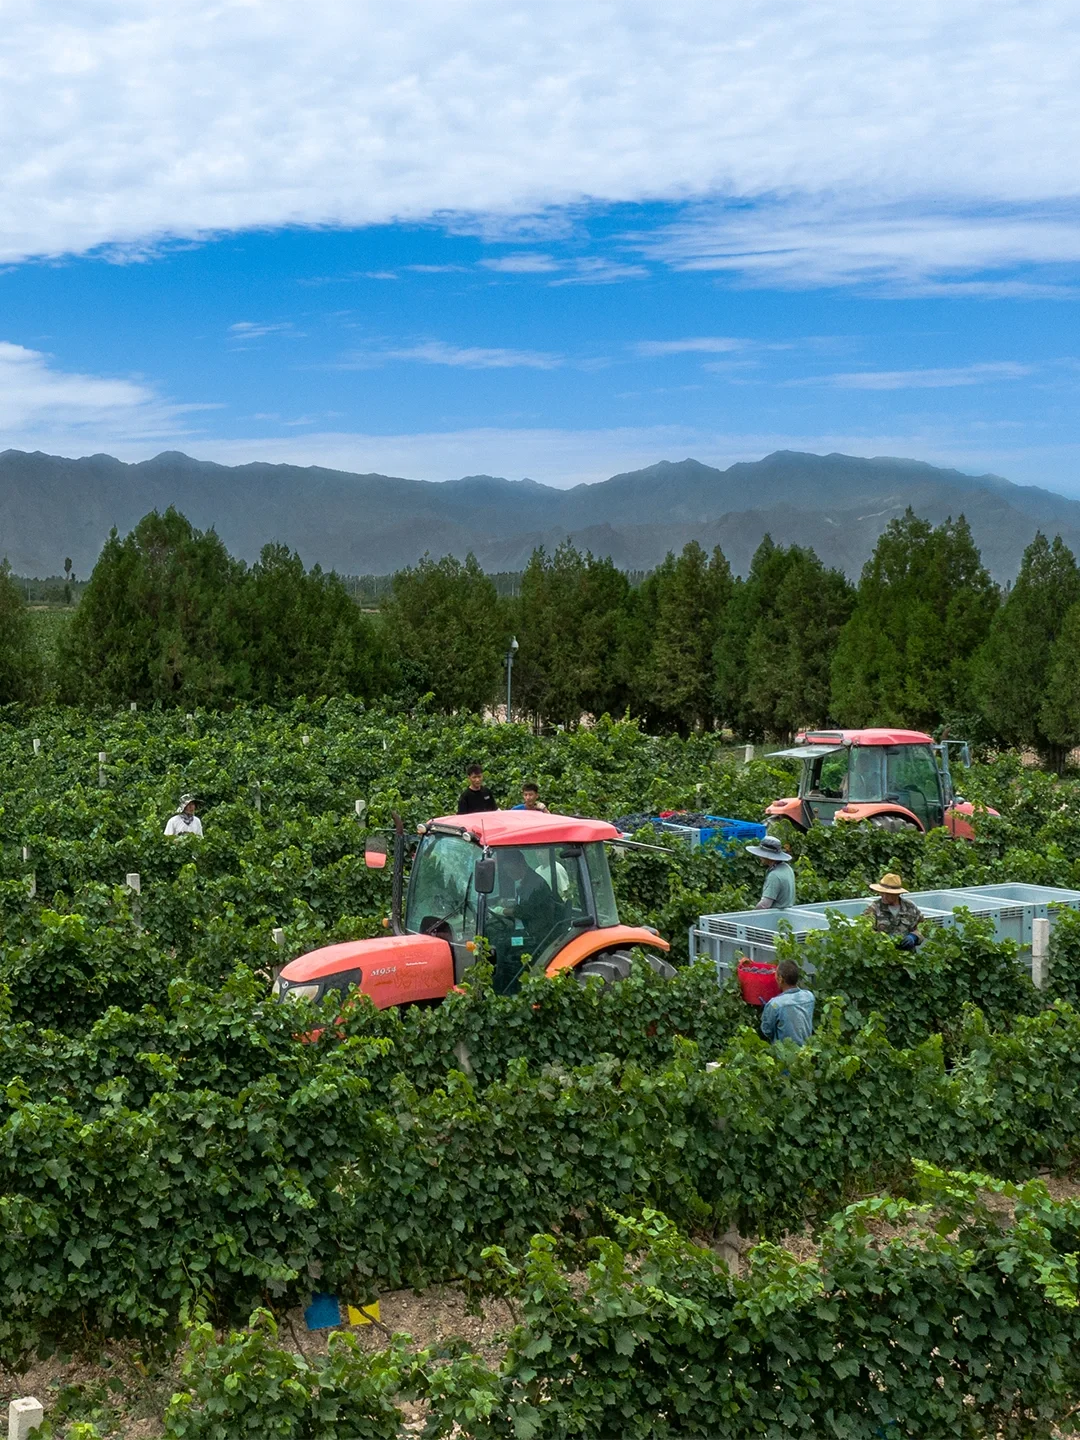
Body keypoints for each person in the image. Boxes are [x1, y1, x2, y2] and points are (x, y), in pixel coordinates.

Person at [760, 960, 815, 1046]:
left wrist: (767, 1011)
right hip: (806, 1053)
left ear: (780, 979)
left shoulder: (775, 1004)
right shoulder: (809, 997)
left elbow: (766, 1031)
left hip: (783, 1055)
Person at [866, 873, 924, 950]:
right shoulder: (874, 908)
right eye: (882, 893)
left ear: (897, 894)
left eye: (888, 894)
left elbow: (922, 927)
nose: (884, 896)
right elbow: (866, 932)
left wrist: (914, 937)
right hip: (883, 955)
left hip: (908, 957)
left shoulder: (910, 907)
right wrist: (883, 939)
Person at [747, 835, 796, 910]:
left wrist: (752, 915)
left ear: (768, 857)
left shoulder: (774, 875)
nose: (760, 857)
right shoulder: (787, 868)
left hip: (775, 917)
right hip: (787, 914)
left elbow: (765, 904)